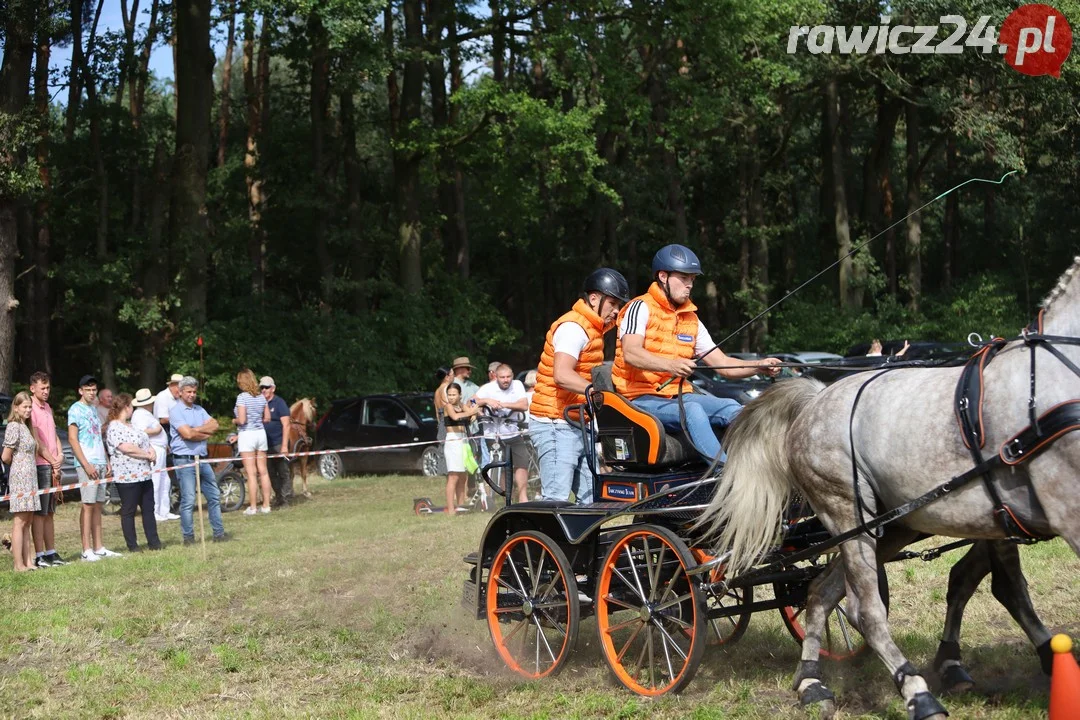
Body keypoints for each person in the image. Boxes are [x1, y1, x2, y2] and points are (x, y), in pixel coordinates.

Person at [613, 244, 781, 462]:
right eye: (684, 278)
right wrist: (671, 365)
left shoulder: (691, 319)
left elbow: (721, 362)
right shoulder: (640, 307)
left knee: (733, 408)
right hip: (637, 399)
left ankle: (758, 466)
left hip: (678, 396)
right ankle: (724, 475)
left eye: (692, 279)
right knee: (693, 410)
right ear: (663, 276)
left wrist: (758, 366)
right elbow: (631, 353)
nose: (689, 285)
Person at [530, 268, 629, 504]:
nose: (616, 311)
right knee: (556, 499)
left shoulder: (594, 330)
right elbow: (562, 375)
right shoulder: (574, 328)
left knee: (592, 498)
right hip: (554, 422)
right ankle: (545, 541)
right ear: (594, 298)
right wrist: (596, 393)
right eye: (613, 303)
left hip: (576, 423)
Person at [169, 377, 228, 544]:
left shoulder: (200, 409)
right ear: (180, 392)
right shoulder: (175, 411)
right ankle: (188, 538)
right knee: (188, 500)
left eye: (194, 392)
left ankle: (219, 533)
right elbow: (187, 434)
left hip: (202, 459)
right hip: (184, 460)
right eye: (188, 392)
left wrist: (196, 431)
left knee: (214, 496)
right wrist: (201, 433)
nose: (192, 395)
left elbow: (214, 425)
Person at [68, 375, 121, 561]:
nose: (91, 393)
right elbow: (73, 439)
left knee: (98, 505)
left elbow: (98, 438)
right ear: (80, 390)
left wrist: (106, 460)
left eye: (93, 390)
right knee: (88, 505)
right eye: (88, 389)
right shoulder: (75, 409)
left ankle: (99, 547)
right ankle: (86, 549)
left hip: (99, 461)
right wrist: (86, 464)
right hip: (87, 463)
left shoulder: (93, 409)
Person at [104, 393, 162, 552]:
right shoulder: (114, 427)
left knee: (148, 509)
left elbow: (145, 441)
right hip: (127, 477)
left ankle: (154, 542)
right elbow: (126, 448)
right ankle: (133, 545)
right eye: (131, 406)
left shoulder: (132, 425)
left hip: (144, 474)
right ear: (126, 407)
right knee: (129, 510)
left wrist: (152, 452)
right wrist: (146, 455)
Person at [475, 364, 531, 503]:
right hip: (492, 432)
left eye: (508, 377)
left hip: (512, 431)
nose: (506, 380)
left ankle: (522, 496)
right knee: (501, 464)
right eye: (502, 377)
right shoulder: (488, 388)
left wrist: (503, 404)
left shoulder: (517, 385)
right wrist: (487, 401)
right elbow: (471, 401)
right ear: (496, 376)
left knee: (521, 462)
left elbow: (524, 405)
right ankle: (505, 496)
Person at [28, 371, 66, 567]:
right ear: (32, 388)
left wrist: (59, 456)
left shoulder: (48, 407)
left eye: (48, 387)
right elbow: (38, 441)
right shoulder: (31, 409)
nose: (46, 391)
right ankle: (39, 554)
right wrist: (52, 461)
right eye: (42, 388)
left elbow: (54, 435)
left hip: (52, 464)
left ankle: (51, 552)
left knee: (50, 511)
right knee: (40, 513)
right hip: (41, 465)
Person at [3, 393, 41, 571]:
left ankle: (28, 561)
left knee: (28, 520)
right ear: (16, 407)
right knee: (19, 520)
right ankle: (18, 564)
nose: (27, 410)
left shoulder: (27, 427)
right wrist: (19, 466)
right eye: (24, 407)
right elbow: (5, 456)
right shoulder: (13, 426)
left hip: (31, 477)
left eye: (29, 407)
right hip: (20, 477)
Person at [131, 388, 176, 521]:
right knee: (156, 479)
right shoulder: (139, 415)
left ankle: (164, 510)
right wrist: (157, 430)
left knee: (164, 479)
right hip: (153, 448)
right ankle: (154, 511)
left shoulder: (146, 414)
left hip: (160, 447)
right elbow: (140, 432)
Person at [234, 369, 273, 515]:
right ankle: (266, 505)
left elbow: (242, 420)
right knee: (263, 471)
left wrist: (234, 420)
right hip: (260, 433)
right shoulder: (261, 397)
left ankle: (253, 506)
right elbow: (267, 418)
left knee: (251, 473)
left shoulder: (242, 397)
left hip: (247, 434)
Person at [442, 382, 480, 514]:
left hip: (463, 441)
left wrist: (474, 413)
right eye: (449, 395)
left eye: (454, 395)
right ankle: (451, 509)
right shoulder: (448, 407)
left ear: (460, 395)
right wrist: (471, 411)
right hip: (453, 440)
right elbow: (455, 417)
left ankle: (461, 505)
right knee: (453, 476)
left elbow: (470, 416)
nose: (451, 397)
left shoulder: (461, 406)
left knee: (463, 476)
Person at [260, 376, 292, 507]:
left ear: (273, 388)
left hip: (279, 443)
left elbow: (286, 425)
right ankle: (279, 498)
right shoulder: (259, 403)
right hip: (264, 445)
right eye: (261, 387)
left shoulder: (280, 403)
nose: (263, 390)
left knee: (284, 472)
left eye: (266, 387)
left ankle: (285, 498)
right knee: (270, 473)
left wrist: (284, 445)